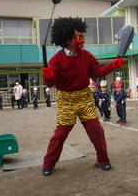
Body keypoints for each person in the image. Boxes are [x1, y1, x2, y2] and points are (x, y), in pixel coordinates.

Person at [41, 17, 124, 176]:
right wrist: (48, 75)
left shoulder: (86, 56)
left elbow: (97, 72)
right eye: (78, 37)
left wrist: (113, 64)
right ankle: (48, 164)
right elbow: (50, 84)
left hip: (85, 98)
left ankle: (103, 160)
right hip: (66, 100)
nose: (82, 40)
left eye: (82, 36)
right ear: (67, 40)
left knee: (96, 130)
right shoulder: (56, 60)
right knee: (60, 134)